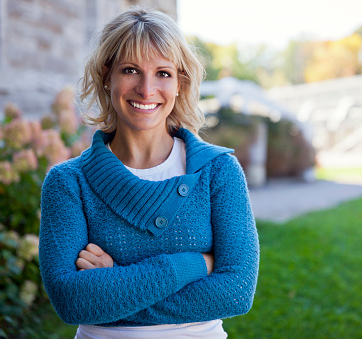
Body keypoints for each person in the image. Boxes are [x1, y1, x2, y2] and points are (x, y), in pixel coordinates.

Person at [38, 8, 259, 339]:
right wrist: (195, 264)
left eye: (163, 74)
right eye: (130, 70)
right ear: (106, 75)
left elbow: (236, 292)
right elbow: (72, 302)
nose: (146, 89)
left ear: (180, 83)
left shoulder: (218, 172)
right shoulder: (68, 183)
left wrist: (116, 282)